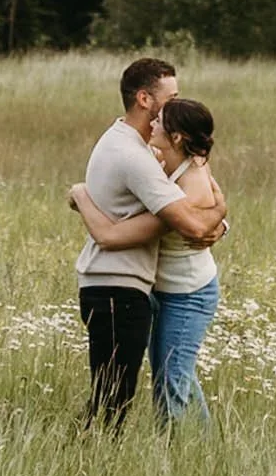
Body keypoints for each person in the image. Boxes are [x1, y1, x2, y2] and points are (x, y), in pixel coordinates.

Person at [71, 58, 226, 428]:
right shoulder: (141, 156)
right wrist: (218, 213)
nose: (173, 104)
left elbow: (193, 217)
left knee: (168, 379)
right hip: (134, 285)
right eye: (170, 97)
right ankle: (192, 449)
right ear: (144, 99)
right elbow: (187, 222)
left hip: (184, 288)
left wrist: (220, 214)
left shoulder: (145, 150)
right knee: (145, 385)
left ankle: (197, 451)